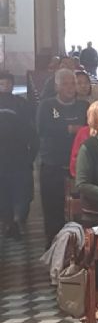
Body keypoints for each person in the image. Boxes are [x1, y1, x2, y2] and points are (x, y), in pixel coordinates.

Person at [37, 69, 89, 246]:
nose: (70, 87)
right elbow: (44, 129)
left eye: (72, 84)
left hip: (79, 165)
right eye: (65, 84)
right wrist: (70, 129)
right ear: (57, 86)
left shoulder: (84, 106)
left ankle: (79, 246)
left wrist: (68, 129)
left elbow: (88, 129)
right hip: (53, 164)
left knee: (80, 209)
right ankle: (54, 246)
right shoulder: (46, 105)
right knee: (53, 210)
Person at [0, 72, 37, 238]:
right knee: (13, 190)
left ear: (12, 85)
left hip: (19, 155)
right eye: (2, 84)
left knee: (17, 189)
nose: (5, 87)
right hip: (15, 156)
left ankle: (13, 220)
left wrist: (31, 153)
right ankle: (13, 219)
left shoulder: (21, 103)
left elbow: (31, 129)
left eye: (7, 84)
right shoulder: (21, 103)